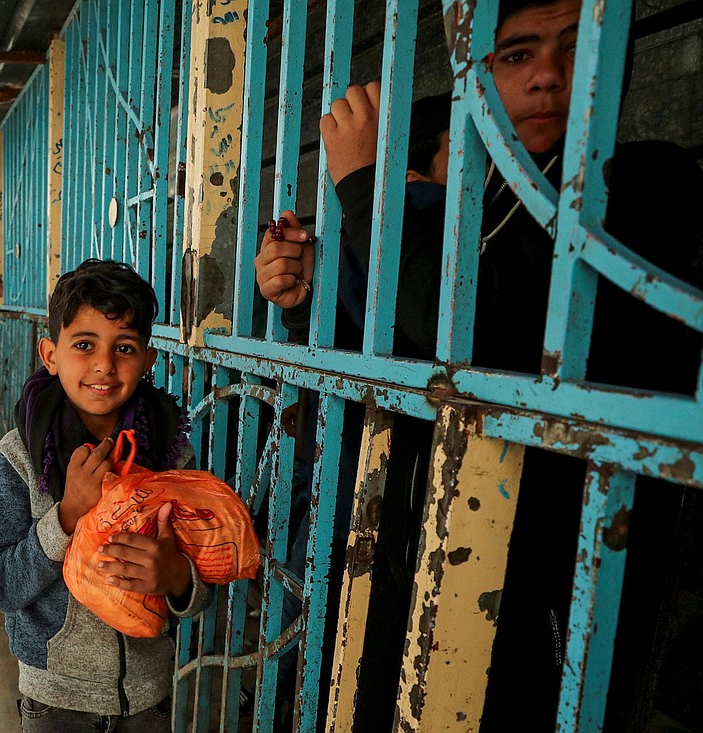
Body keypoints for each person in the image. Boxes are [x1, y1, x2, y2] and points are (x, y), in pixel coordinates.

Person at [255, 0, 703, 730]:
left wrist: (368, 187)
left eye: (573, 47)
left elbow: (468, 341)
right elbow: (395, 361)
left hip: (549, 577)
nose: (548, 78)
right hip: (419, 544)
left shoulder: (643, 182)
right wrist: (305, 304)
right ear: (482, 75)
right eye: (518, 54)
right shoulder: (485, 199)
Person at [0, 259, 208, 732]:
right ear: (50, 354)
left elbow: (205, 583)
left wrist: (178, 578)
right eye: (84, 345)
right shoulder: (20, 455)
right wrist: (65, 517)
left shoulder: (172, 456)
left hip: (148, 697)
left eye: (124, 347)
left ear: (147, 360)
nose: (104, 364)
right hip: (55, 700)